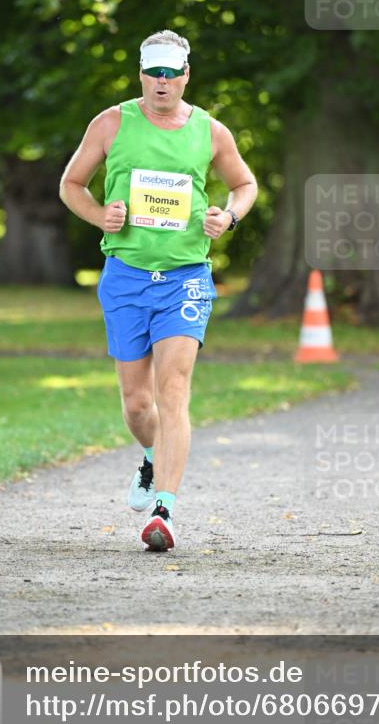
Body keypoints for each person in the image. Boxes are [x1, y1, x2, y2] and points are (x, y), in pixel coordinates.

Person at [59, 30, 257, 550]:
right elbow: (70, 184)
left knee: (174, 391)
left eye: (172, 72)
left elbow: (246, 184)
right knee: (137, 403)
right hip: (125, 277)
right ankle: (151, 457)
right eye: (154, 72)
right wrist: (102, 215)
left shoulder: (210, 131)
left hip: (186, 278)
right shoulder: (111, 123)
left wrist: (228, 216)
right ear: (141, 74)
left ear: (187, 74)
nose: (163, 81)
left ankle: (164, 510)